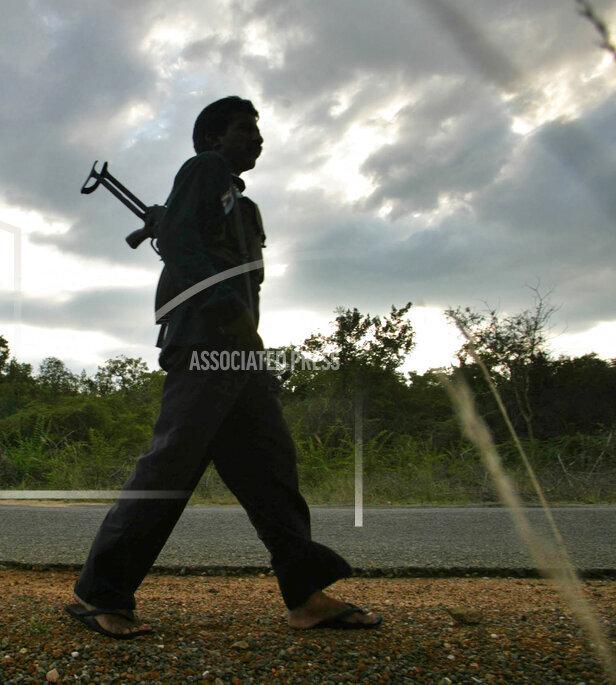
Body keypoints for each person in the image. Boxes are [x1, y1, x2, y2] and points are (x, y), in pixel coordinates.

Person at [66, 97, 381, 639]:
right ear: (214, 138)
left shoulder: (245, 206)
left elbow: (198, 244)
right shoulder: (204, 169)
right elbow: (186, 243)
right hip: (205, 345)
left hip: (241, 354)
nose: (257, 139)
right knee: (169, 470)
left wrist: (242, 332)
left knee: (272, 473)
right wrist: (210, 292)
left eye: (259, 131)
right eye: (245, 130)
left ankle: (306, 596)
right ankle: (100, 595)